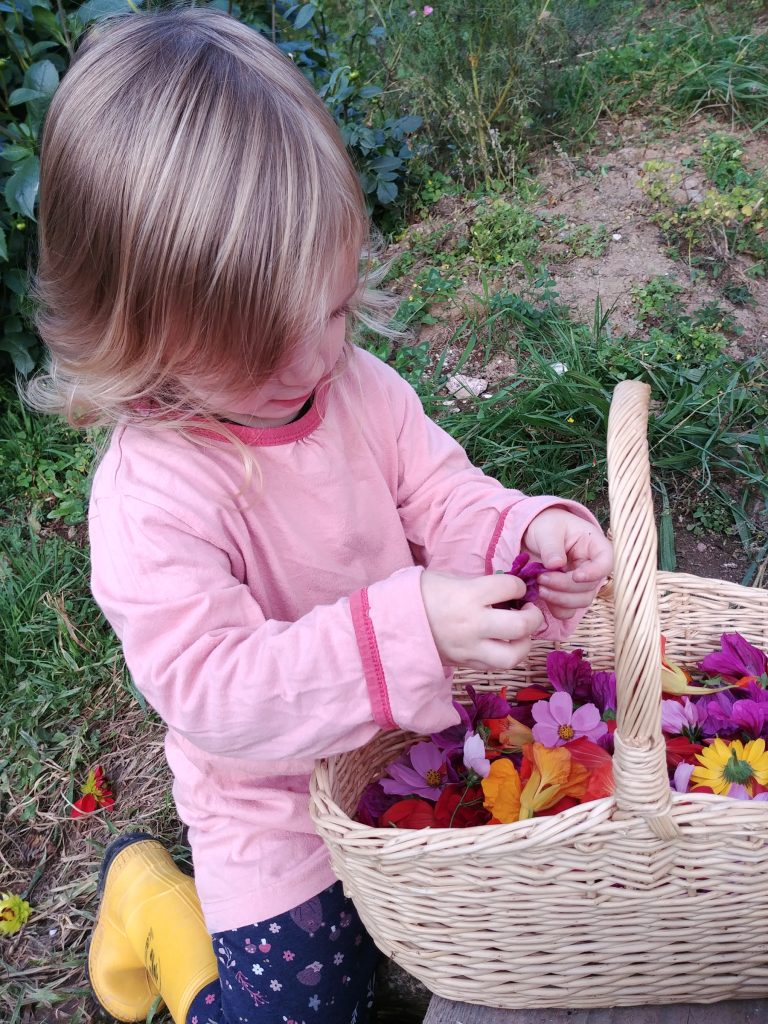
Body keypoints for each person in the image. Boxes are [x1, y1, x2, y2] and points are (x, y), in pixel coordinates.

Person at [29, 8, 613, 1024]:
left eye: (335, 311)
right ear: (139, 335)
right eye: (263, 348)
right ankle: (159, 911)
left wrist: (518, 535)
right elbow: (216, 691)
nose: (312, 363)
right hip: (275, 807)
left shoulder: (359, 390)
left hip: (414, 737)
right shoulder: (153, 497)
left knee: (538, 907)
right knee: (306, 1007)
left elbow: (440, 492)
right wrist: (407, 630)